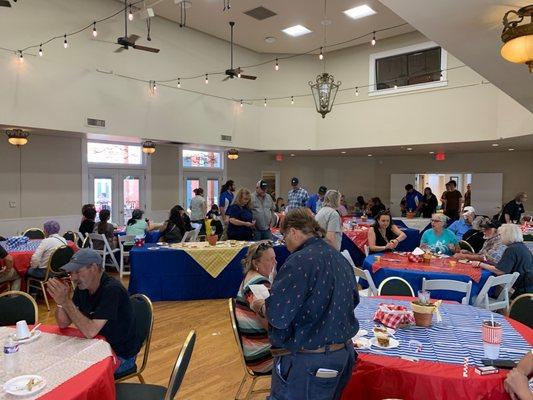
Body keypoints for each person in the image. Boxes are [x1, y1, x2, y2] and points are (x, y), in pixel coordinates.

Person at [249, 208, 359, 400]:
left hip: (309, 361)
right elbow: (353, 301)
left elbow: (278, 315)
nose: (285, 243)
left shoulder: (299, 261)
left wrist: (259, 305)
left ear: (293, 231)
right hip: (342, 356)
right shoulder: (340, 259)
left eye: (284, 237)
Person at [46, 249, 140, 378]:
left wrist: (66, 301)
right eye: (71, 273)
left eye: (77, 271)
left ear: (94, 268)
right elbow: (63, 323)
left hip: (120, 356)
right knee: (57, 361)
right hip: (98, 347)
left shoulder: (112, 290)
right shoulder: (84, 286)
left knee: (71, 374)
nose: (73, 278)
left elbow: (90, 331)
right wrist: (60, 301)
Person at [236, 241, 276, 374]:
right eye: (270, 260)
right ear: (256, 263)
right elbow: (270, 324)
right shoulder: (258, 284)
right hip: (262, 357)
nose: (274, 263)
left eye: (274, 258)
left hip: (255, 349)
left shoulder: (250, 278)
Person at [477, 224, 533, 298]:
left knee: (485, 284)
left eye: (501, 235)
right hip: (528, 285)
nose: (500, 238)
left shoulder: (511, 249)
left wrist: (479, 264)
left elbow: (500, 271)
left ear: (507, 235)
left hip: (520, 290)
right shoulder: (522, 247)